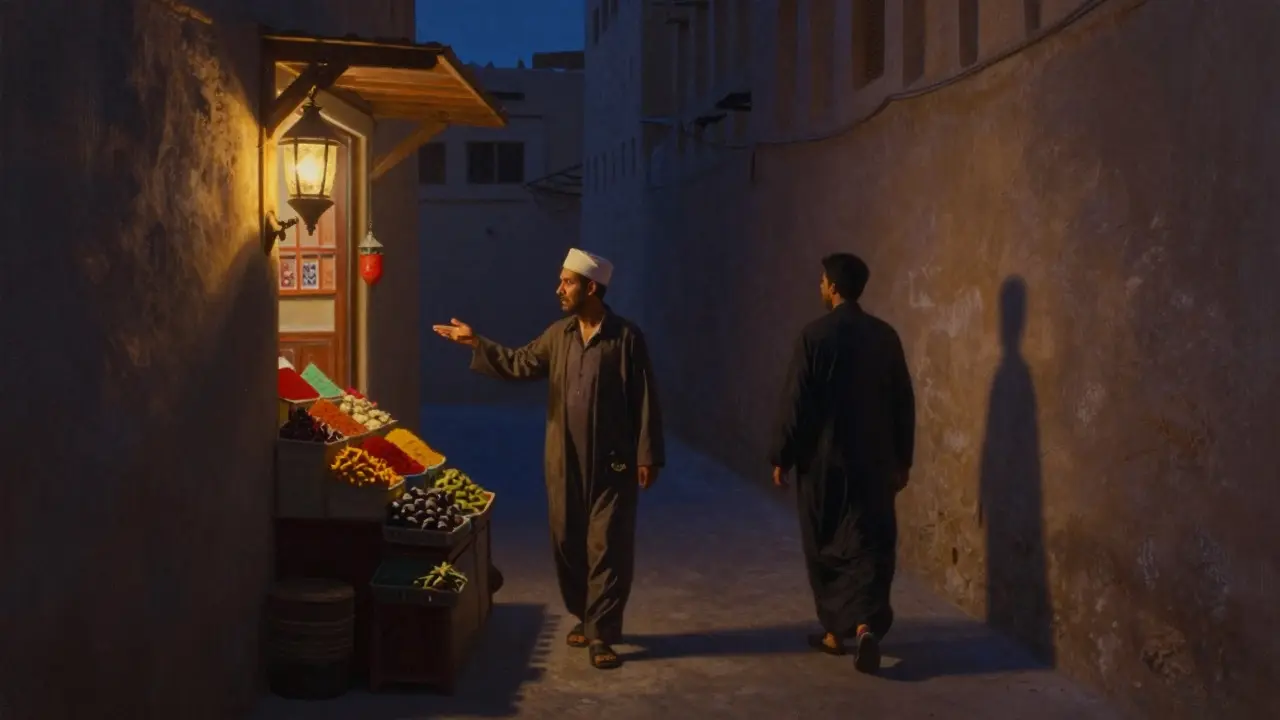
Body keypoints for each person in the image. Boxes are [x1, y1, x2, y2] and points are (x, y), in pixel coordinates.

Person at [432, 248, 665, 671]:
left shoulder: (626, 338)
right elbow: (520, 362)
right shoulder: (558, 335)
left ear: (590, 287)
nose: (559, 289)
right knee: (567, 540)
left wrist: (647, 453)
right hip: (564, 459)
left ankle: (602, 633)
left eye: (567, 282)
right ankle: (585, 614)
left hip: (613, 463)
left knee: (608, 545)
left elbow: (645, 398)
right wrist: (476, 342)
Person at [769, 252, 916, 674]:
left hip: (823, 463)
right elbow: (903, 403)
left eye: (822, 281)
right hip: (874, 462)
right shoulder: (884, 337)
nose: (819, 286)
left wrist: (782, 455)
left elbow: (796, 402)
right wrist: (902, 459)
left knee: (825, 544)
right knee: (868, 544)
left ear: (833, 286)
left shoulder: (814, 337)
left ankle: (835, 631)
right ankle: (866, 625)